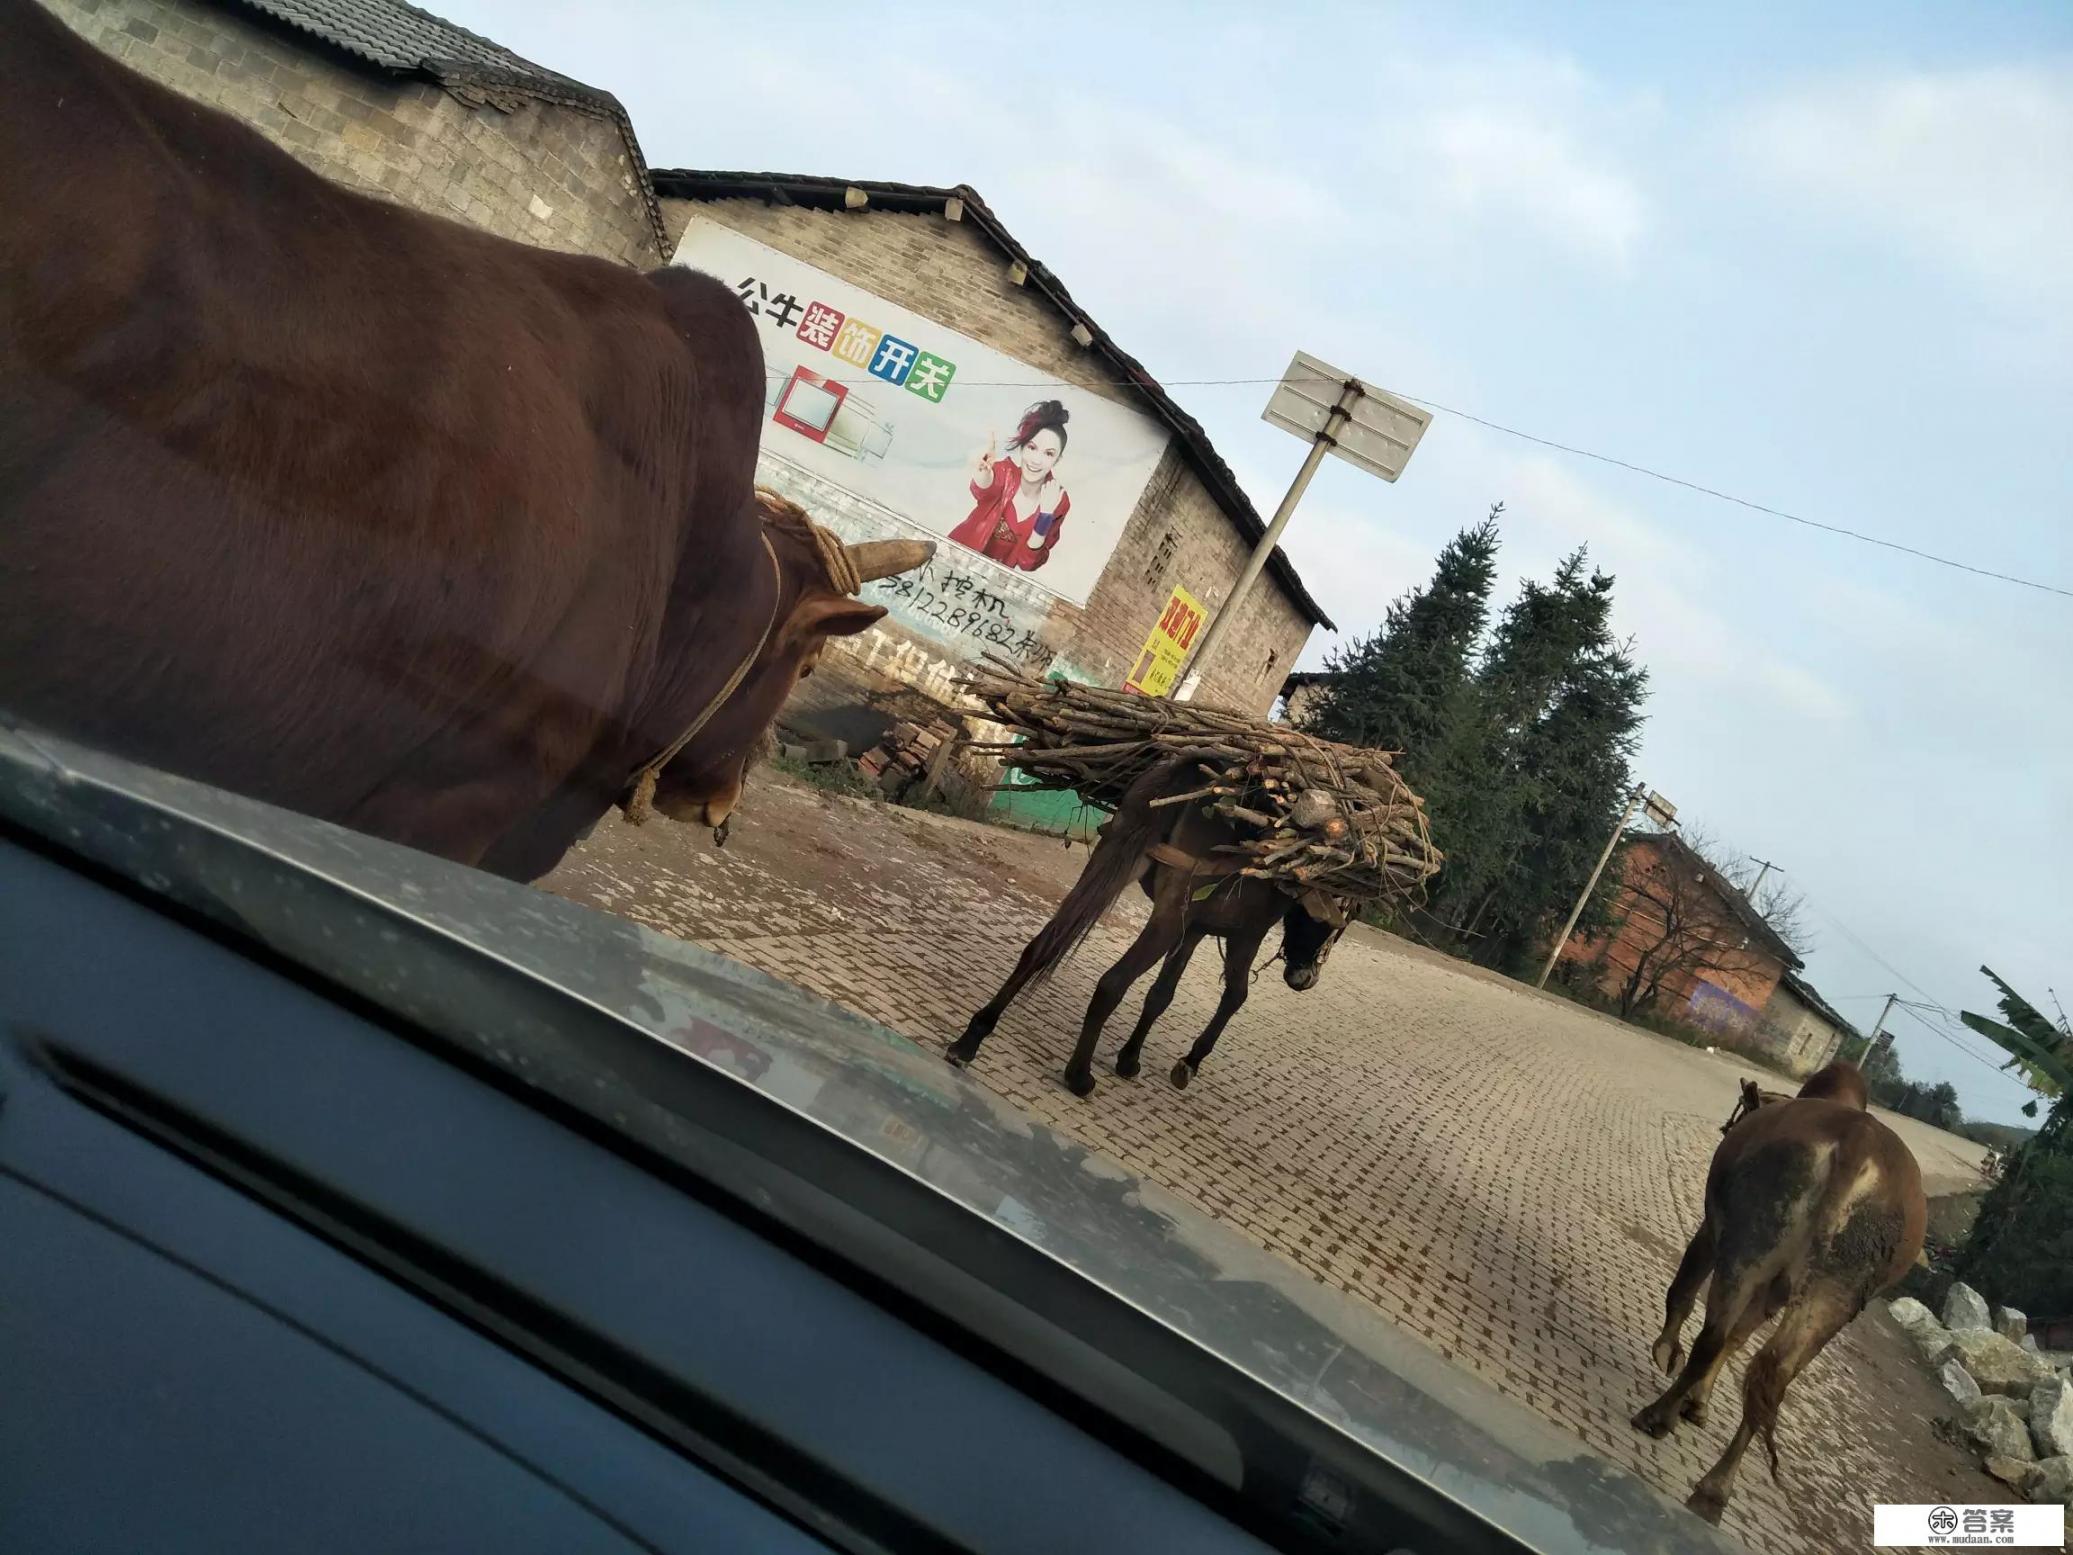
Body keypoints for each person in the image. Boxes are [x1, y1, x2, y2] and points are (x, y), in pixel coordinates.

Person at [948, 400, 1071, 571]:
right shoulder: (1005, 472)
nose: (1036, 460)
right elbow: (984, 489)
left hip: (990, 578)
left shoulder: (1058, 500)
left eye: (1049, 453)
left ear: (1057, 459)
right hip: (955, 556)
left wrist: (1045, 516)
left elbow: (1028, 563)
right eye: (1032, 447)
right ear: (1023, 447)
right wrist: (982, 469)